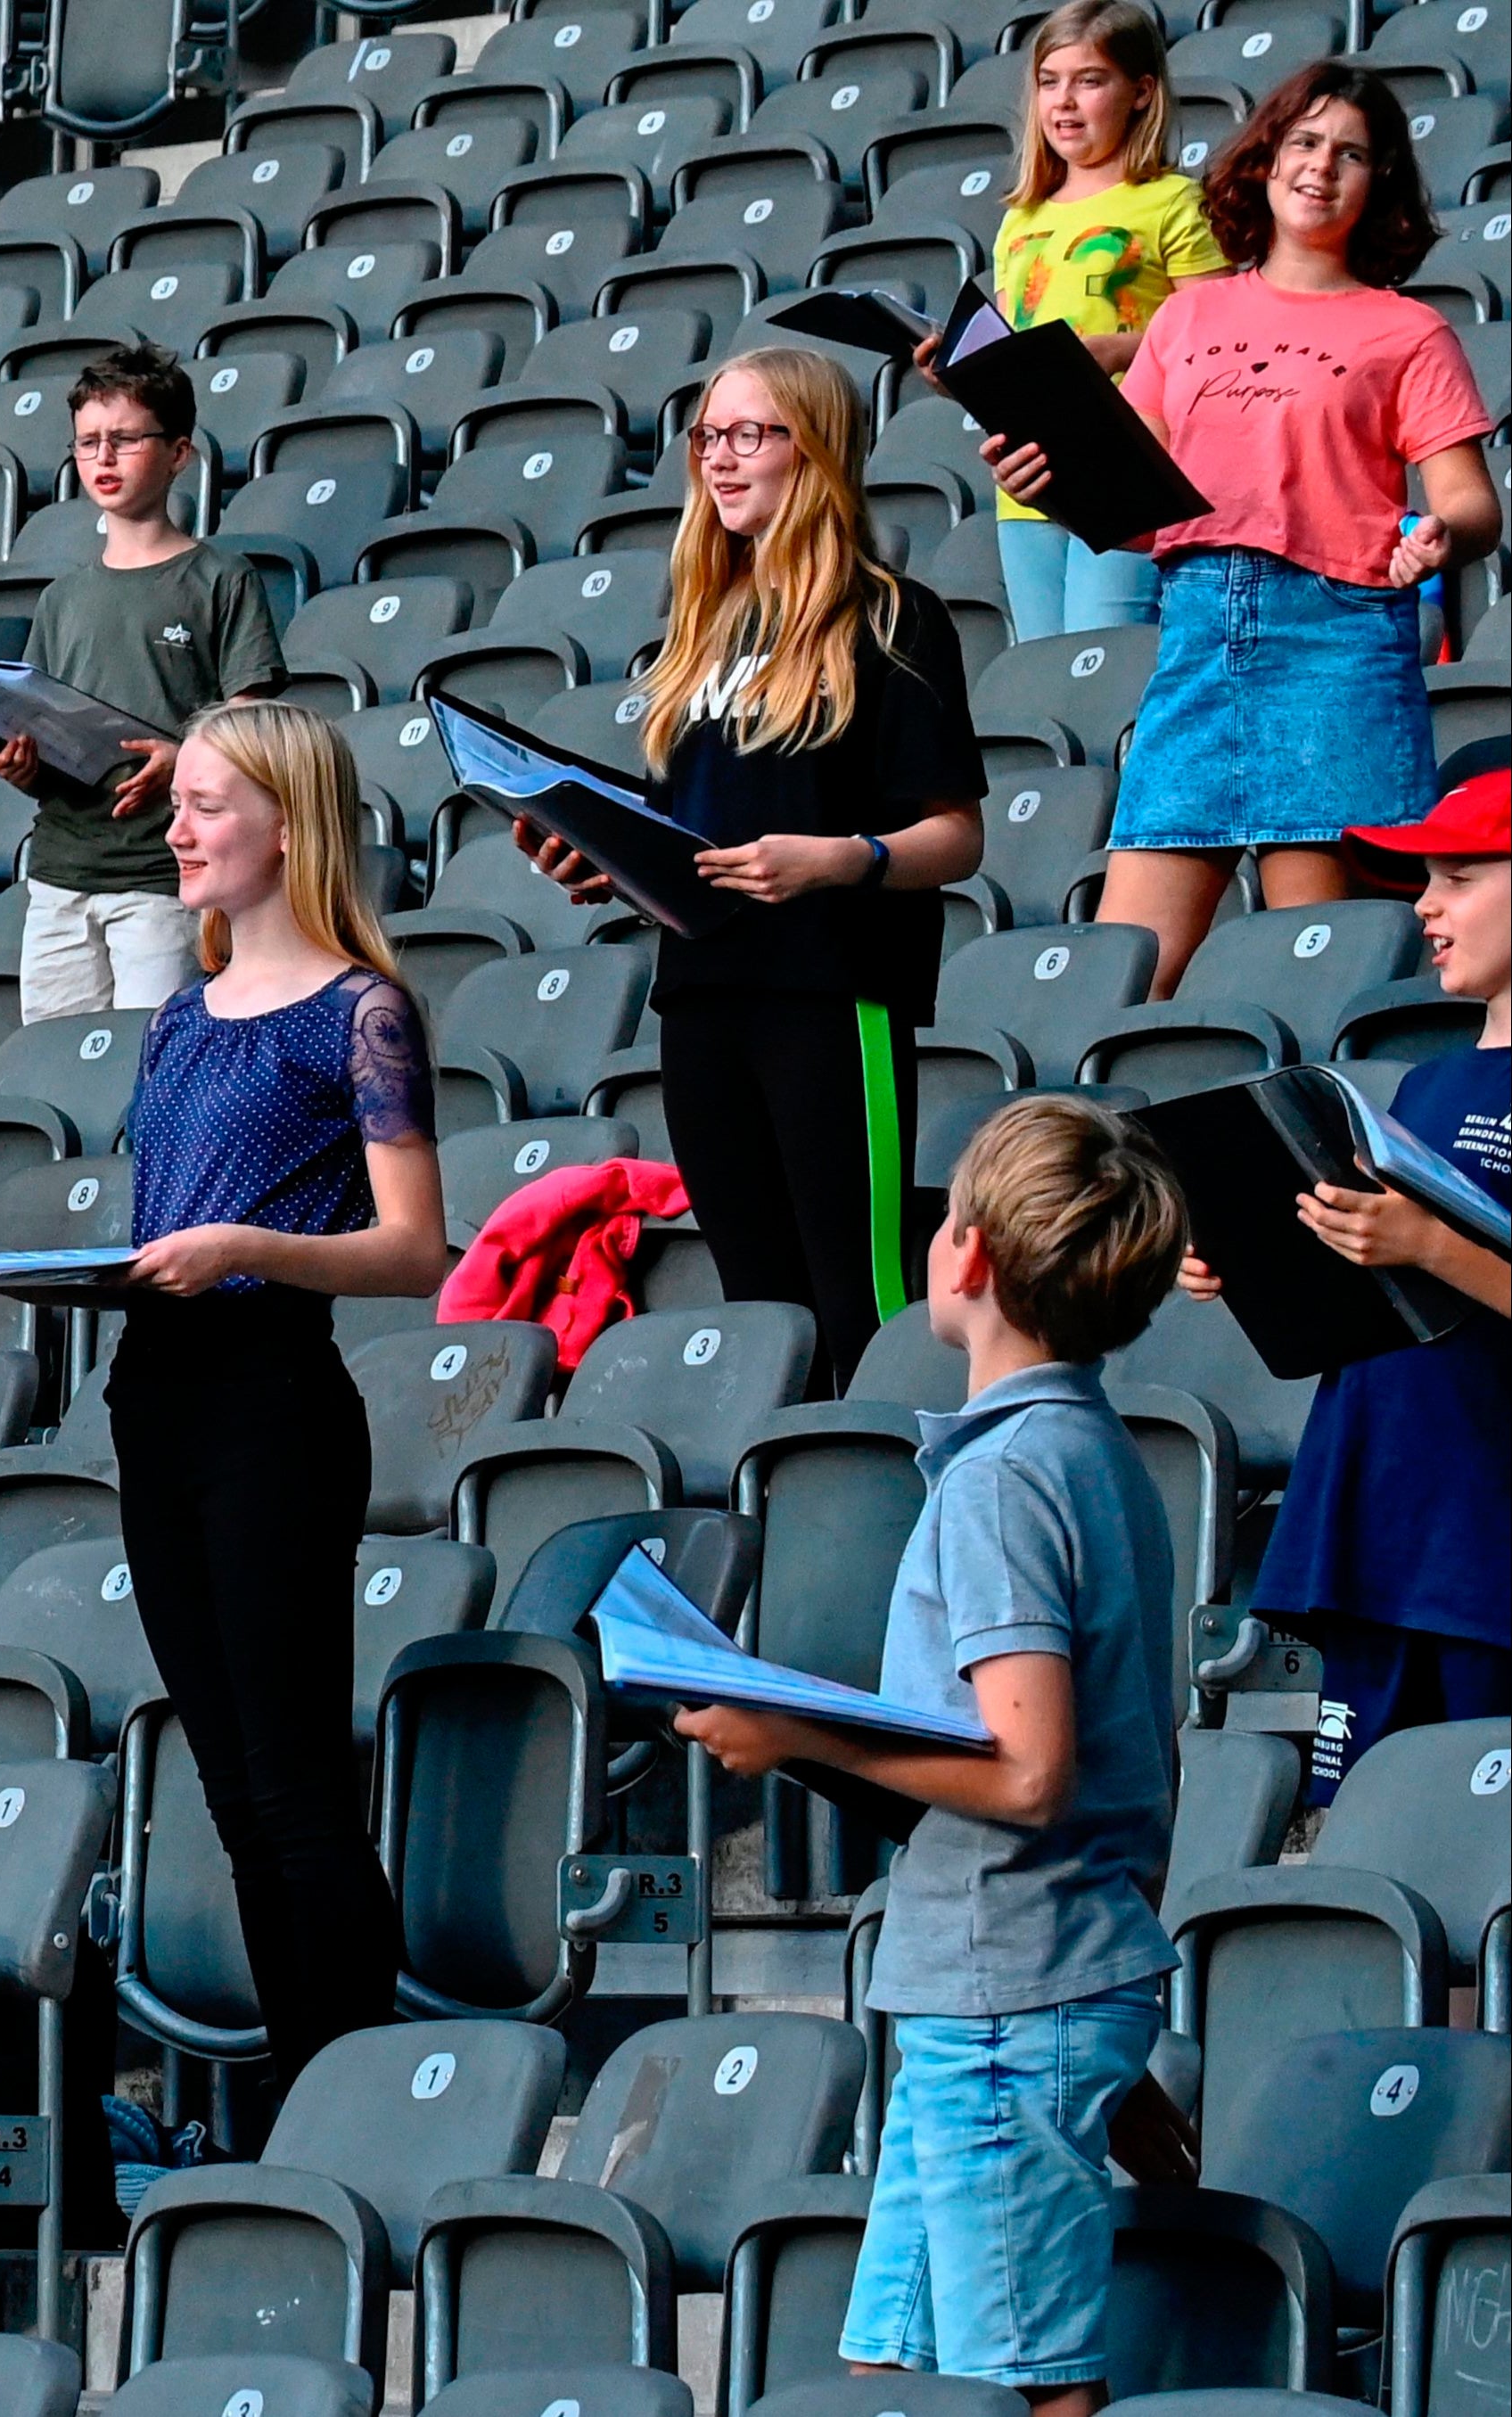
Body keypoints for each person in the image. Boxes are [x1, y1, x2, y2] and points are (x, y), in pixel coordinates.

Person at [681, 1095, 1188, 2413]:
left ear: (962, 1255)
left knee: (1018, 2385)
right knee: (888, 2372)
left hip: (1006, 1985)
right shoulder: (1091, 1451)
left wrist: (793, 1725)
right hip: (1014, 1983)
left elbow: (1028, 1771)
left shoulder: (1005, 1476)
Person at [521, 346, 985, 1393]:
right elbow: (694, 842)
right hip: (700, 998)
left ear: (812, 450)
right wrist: (605, 862)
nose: (719, 462)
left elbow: (955, 836)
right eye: (706, 437)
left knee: (853, 1297)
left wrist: (838, 859)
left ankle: (884, 1508)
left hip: (829, 993)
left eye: (748, 435)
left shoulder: (890, 615)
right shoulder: (701, 627)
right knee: (758, 1305)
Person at [990, 61, 1499, 999]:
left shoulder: (1406, 331)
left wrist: (1439, 536)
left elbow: (1470, 503)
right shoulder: (1185, 317)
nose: (1319, 167)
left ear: (1377, 183)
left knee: (1313, 979)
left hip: (1334, 643)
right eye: (1303, 143)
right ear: (1262, 161)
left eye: (1350, 153)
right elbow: (1134, 512)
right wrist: (1054, 487)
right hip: (1195, 641)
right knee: (1120, 981)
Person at [111, 699, 448, 2089]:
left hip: (270, 1398)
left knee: (296, 1784)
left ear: (290, 827)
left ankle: (345, 2092)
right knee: (235, 1792)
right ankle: (300, 2093)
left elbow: (416, 1246)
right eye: (179, 804)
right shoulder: (185, 1008)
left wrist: (248, 1248)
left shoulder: (360, 1010)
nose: (176, 829)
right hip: (157, 1392)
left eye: (205, 806)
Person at [1186, 765, 1511, 1797]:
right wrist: (1266, 1258)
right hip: (1377, 1518)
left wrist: (1424, 1244)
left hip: (1482, 1537)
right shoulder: (1426, 1081)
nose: (1425, 905)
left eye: (1456, 877)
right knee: (1365, 1825)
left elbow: (1434, 1259)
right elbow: (1382, 1296)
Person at [0, 342, 285, 1022]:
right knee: (56, 1059)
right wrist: (21, 764)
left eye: (123, 440)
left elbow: (252, 729)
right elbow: (41, 728)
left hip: (165, 875)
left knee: (151, 1065)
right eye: (88, 442)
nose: (103, 458)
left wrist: (186, 758)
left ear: (179, 453)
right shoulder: (63, 597)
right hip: (60, 875)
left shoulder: (219, 579)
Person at [971, 0, 1227, 641]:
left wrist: (1121, 350)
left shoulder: (1172, 200)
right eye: (1049, 82)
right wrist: (958, 369)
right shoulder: (1020, 217)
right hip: (1028, 482)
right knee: (1046, 662)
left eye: (1089, 81)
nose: (1064, 102)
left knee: (1107, 657)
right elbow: (1010, 348)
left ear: (1141, 92)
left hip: (1127, 470)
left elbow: (1222, 341)